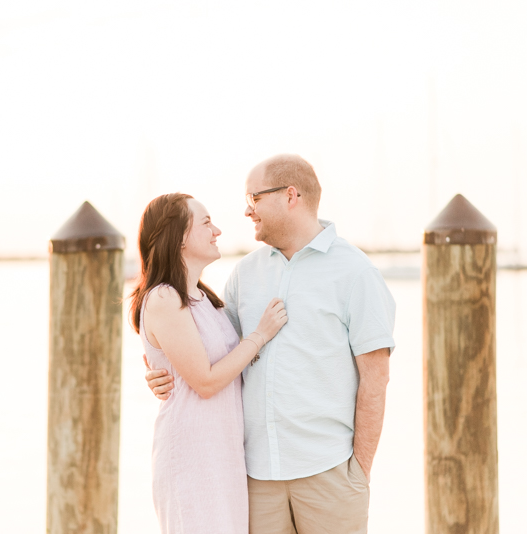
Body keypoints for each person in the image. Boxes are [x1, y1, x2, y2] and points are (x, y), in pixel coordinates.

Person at [145, 155, 396, 533]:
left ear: (290, 196)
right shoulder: (246, 274)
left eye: (254, 198)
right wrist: (156, 371)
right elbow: (211, 350)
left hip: (328, 472)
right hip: (254, 476)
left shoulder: (356, 273)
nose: (247, 211)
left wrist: (359, 470)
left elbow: (375, 378)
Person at [129, 192, 288, 534]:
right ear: (179, 237)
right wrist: (260, 335)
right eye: (205, 223)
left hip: (222, 454)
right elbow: (205, 381)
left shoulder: (204, 299)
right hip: (192, 456)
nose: (217, 230)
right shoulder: (163, 297)